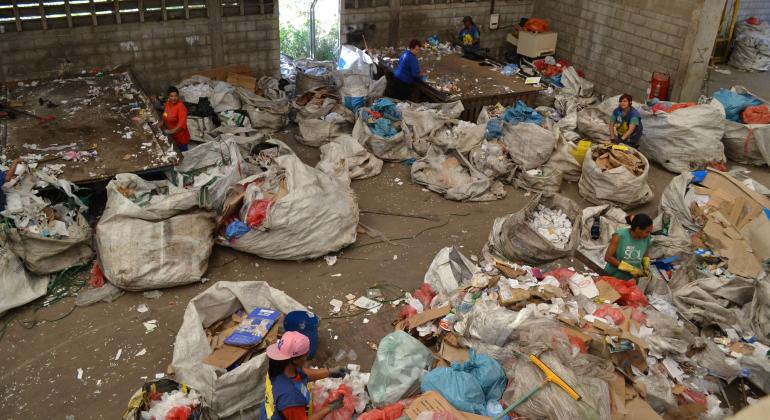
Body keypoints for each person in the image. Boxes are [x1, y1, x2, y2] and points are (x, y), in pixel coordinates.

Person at [260, 332, 350, 420]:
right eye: (305, 355)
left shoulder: (278, 367)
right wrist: (330, 408)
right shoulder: (291, 396)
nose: (307, 358)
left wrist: (329, 372)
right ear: (295, 360)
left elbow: (301, 373)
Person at [604, 213, 653, 280]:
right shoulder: (619, 236)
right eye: (647, 232)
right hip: (614, 276)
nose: (649, 234)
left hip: (631, 279)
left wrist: (646, 266)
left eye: (650, 232)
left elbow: (645, 254)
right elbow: (608, 257)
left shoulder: (647, 238)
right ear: (637, 229)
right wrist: (630, 269)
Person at [162, 86, 191, 152]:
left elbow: (181, 125)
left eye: (175, 96)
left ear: (178, 96)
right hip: (172, 136)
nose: (173, 98)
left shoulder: (181, 107)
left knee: (183, 156)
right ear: (168, 97)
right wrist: (159, 124)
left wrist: (169, 131)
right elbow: (165, 115)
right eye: (171, 96)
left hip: (180, 138)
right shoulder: (168, 104)